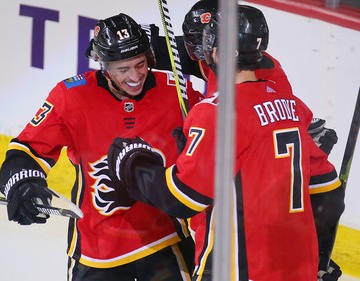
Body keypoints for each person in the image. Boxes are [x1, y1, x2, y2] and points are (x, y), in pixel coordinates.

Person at [107, 6, 345, 281]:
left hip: (236, 268)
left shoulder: (216, 113)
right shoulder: (291, 105)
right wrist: (320, 257)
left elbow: (183, 199)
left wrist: (133, 164)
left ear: (216, 52)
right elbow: (329, 194)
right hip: (296, 270)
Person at [0, 13, 205, 281]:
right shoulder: (72, 97)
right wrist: (22, 182)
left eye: (140, 64)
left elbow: (218, 136)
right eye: (123, 69)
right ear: (104, 67)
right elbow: (27, 149)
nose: (135, 76)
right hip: (97, 252)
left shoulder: (177, 91)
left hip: (164, 241)